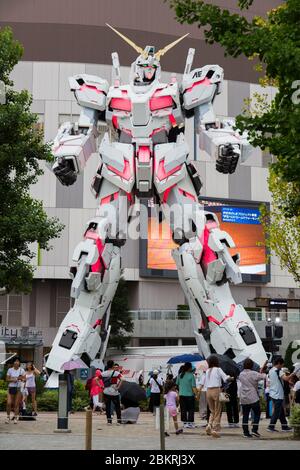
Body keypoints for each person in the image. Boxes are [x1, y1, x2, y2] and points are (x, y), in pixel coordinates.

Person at [199, 355, 233, 438]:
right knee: (217, 411)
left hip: (208, 391)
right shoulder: (218, 369)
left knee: (212, 411)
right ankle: (215, 430)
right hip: (216, 390)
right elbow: (225, 378)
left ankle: (209, 425)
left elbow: (203, 382)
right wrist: (231, 378)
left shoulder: (207, 371)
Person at [238, 358, 267, 438]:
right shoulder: (254, 373)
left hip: (244, 397)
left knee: (245, 415)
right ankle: (254, 429)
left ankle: (245, 432)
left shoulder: (241, 374)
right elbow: (263, 376)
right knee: (257, 413)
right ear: (252, 365)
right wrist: (262, 371)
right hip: (253, 397)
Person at [267, 357, 293, 433]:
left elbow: (278, 380)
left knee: (280, 411)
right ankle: (271, 426)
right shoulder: (279, 371)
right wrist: (292, 374)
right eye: (282, 364)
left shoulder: (271, 370)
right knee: (277, 412)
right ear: (278, 363)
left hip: (273, 393)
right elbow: (286, 378)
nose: (282, 366)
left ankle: (284, 426)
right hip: (278, 394)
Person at [176, 362, 198, 429]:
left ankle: (185, 423)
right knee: (191, 409)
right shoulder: (191, 375)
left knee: (183, 409)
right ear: (189, 368)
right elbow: (193, 387)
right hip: (190, 395)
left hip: (182, 395)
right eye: (191, 367)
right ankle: (190, 423)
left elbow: (177, 384)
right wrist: (196, 394)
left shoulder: (180, 375)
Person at [5, 358, 26, 424]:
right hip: (10, 388)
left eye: (18, 361)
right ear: (13, 362)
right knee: (9, 403)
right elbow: (7, 379)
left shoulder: (22, 370)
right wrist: (13, 379)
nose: (16, 362)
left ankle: (16, 417)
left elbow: (24, 379)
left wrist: (21, 379)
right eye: (15, 361)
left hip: (18, 388)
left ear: (19, 363)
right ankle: (8, 417)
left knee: (16, 404)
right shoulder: (10, 370)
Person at [102, 360, 122, 425]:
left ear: (107, 365)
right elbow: (122, 379)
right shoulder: (116, 373)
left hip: (106, 392)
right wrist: (118, 387)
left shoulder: (104, 373)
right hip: (114, 392)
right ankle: (119, 421)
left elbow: (96, 379)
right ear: (113, 365)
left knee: (108, 407)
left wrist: (101, 386)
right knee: (117, 407)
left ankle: (109, 421)